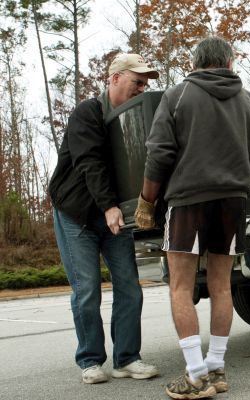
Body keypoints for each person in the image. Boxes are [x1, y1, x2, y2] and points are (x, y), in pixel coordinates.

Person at [134, 35, 250, 399]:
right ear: (229, 63)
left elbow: (159, 154)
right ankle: (216, 368)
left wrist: (147, 201)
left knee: (180, 285)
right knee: (222, 285)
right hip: (233, 201)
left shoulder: (177, 96)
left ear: (194, 63)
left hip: (188, 200)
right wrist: (235, 176)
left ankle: (195, 375)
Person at [49, 53, 160, 385]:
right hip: (77, 214)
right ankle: (90, 360)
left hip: (114, 216)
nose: (141, 88)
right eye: (136, 81)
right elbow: (89, 163)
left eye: (145, 84)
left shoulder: (132, 119)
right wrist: (110, 206)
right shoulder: (87, 113)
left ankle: (126, 359)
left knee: (130, 287)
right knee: (87, 289)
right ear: (114, 79)